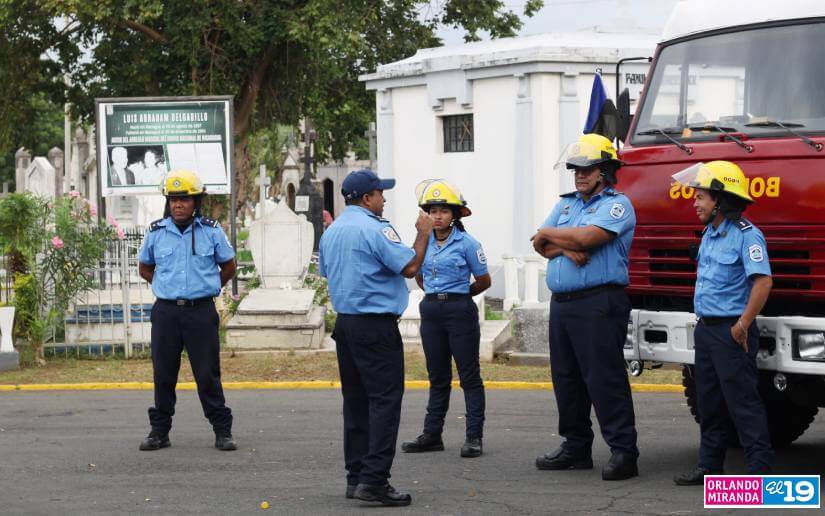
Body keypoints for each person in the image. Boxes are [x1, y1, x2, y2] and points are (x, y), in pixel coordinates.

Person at [319, 169, 432, 507]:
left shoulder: (332, 230)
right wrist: (422, 234)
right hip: (375, 326)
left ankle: (356, 477)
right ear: (367, 198)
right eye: (380, 194)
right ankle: (375, 480)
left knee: (355, 403)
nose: (384, 199)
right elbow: (410, 267)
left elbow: (327, 271)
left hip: (347, 324)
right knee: (384, 401)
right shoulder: (375, 227)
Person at [531, 133, 639, 481]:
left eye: (587, 169)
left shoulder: (617, 205)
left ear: (605, 171)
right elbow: (540, 245)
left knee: (604, 378)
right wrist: (562, 246)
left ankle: (624, 451)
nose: (579, 175)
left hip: (599, 303)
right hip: (563, 304)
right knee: (566, 379)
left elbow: (588, 239)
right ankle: (576, 447)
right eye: (575, 169)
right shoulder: (566, 205)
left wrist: (551, 233)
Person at [671, 161, 774, 485]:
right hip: (707, 329)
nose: (695, 202)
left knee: (742, 403)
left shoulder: (747, 235)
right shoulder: (709, 234)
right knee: (709, 403)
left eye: (700, 197)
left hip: (732, 331)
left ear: (719, 199)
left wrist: (742, 325)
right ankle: (709, 467)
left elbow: (763, 283)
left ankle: (760, 474)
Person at [137, 169, 238, 452]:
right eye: (173, 199)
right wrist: (163, 285)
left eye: (184, 199)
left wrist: (209, 287)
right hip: (166, 313)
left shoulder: (211, 230)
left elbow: (229, 266)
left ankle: (222, 430)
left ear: (196, 202)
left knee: (207, 374)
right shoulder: (156, 232)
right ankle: (159, 432)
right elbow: (145, 267)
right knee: (164, 374)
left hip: (200, 313)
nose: (178, 205)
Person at [400, 179, 491, 458]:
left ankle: (474, 436)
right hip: (431, 311)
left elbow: (484, 280)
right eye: (432, 211)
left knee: (469, 376)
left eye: (443, 211)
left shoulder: (467, 243)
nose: (437, 216)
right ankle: (432, 434)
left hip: (459, 312)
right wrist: (436, 295)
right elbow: (416, 272)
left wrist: (459, 295)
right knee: (437, 376)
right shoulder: (422, 242)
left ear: (454, 215)